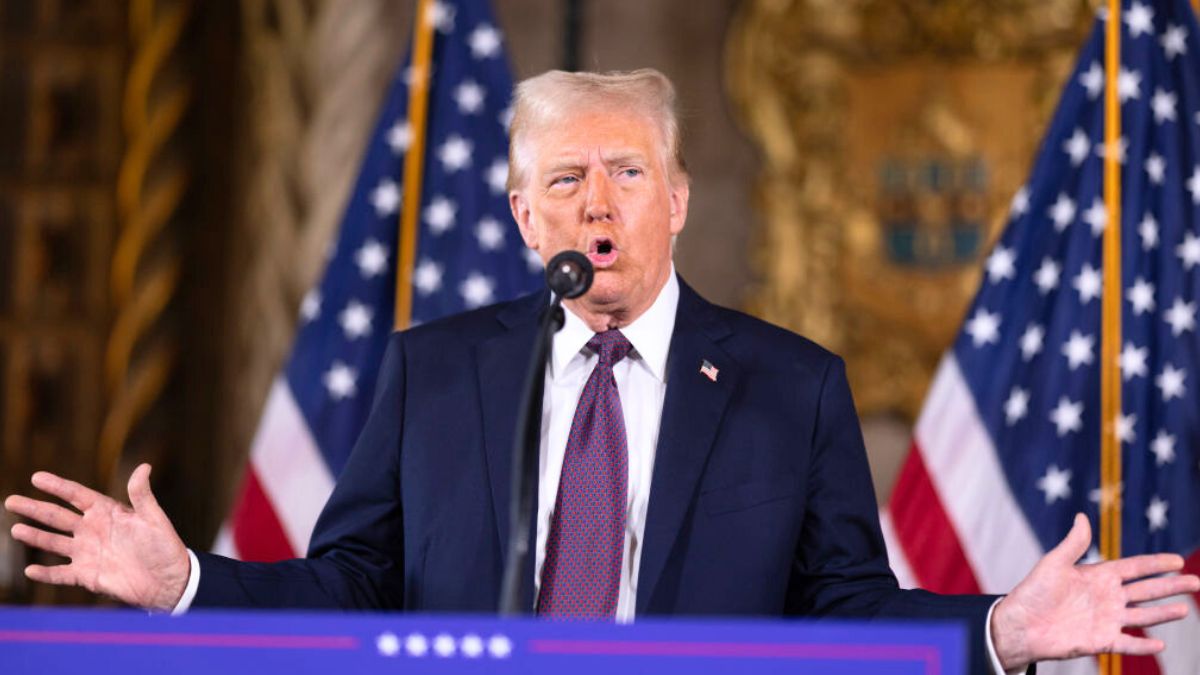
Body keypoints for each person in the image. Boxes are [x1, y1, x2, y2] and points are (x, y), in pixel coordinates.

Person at [5, 69, 1198, 673]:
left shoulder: (792, 385)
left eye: (627, 174)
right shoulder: (438, 375)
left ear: (677, 202)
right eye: (566, 182)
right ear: (527, 221)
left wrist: (1001, 631)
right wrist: (185, 589)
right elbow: (357, 586)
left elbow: (843, 612)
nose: (598, 203)